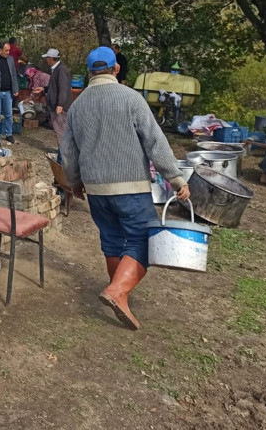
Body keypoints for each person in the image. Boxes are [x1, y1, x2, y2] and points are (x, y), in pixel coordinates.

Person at [61, 46, 190, 330]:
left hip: (96, 190)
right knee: (145, 240)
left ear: (89, 71)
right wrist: (177, 178)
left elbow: (68, 153)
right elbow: (155, 142)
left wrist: (75, 183)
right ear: (115, 68)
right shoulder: (131, 99)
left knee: (111, 239)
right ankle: (117, 291)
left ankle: (118, 291)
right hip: (130, 186)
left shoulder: (77, 106)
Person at [39, 48, 72, 145]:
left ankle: (63, 153)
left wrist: (60, 104)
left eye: (47, 58)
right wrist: (44, 89)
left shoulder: (61, 70)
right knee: (60, 130)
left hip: (59, 106)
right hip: (56, 105)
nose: (46, 60)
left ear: (51, 58)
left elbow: (63, 87)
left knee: (61, 130)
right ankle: (62, 151)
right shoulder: (56, 69)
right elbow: (54, 87)